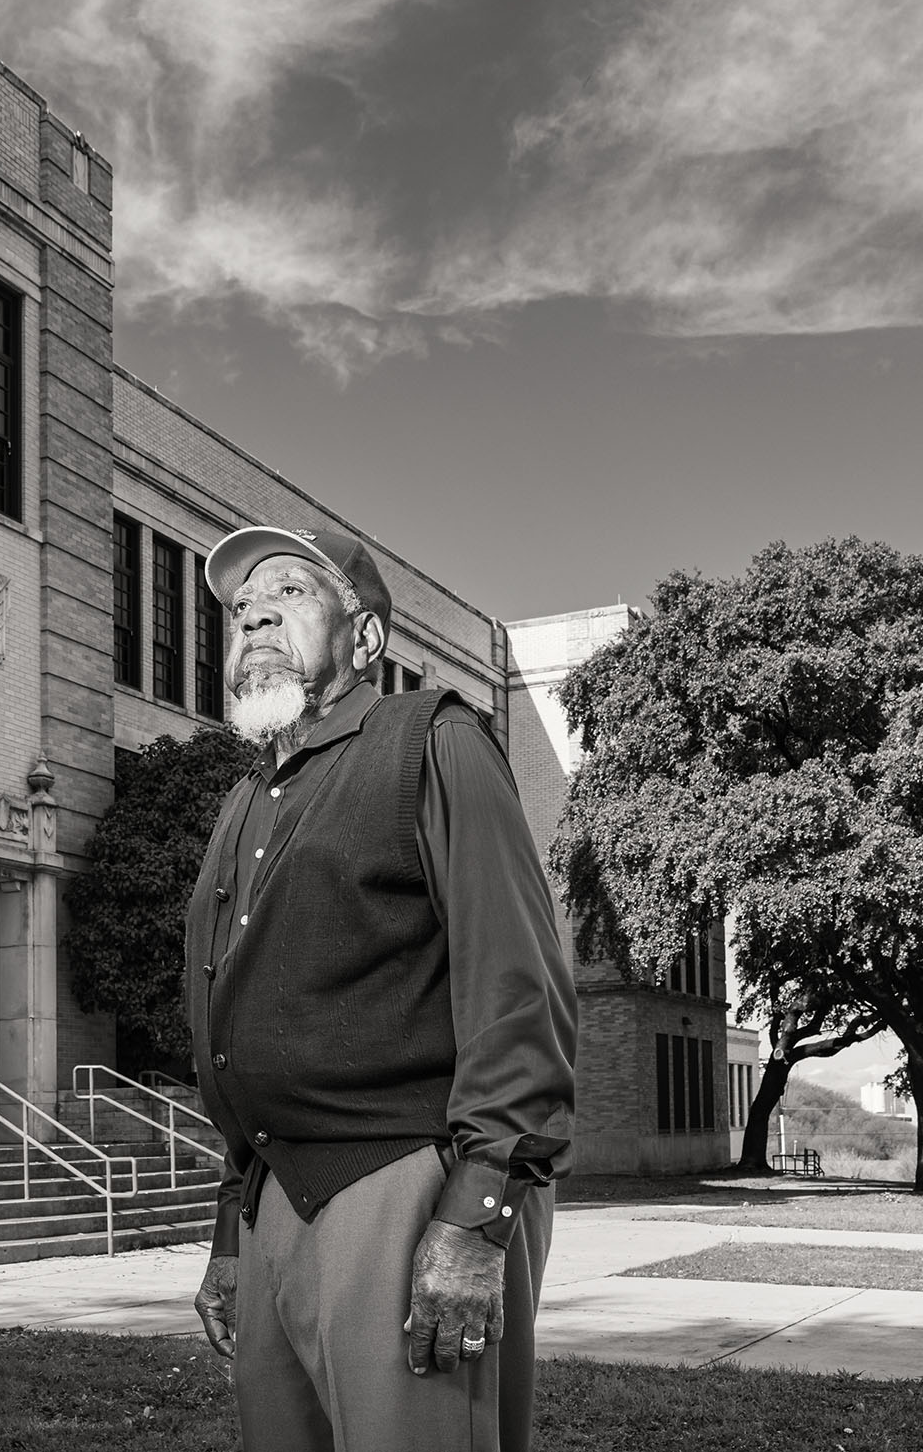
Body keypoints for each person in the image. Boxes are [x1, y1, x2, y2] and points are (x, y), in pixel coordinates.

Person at [185, 523, 577, 1452]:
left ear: (363, 638)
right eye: (239, 609)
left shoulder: (431, 738)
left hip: (402, 1187)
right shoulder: (244, 801)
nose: (255, 614)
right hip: (273, 1193)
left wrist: (477, 1212)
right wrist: (232, 1236)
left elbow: (515, 976)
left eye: (290, 591)